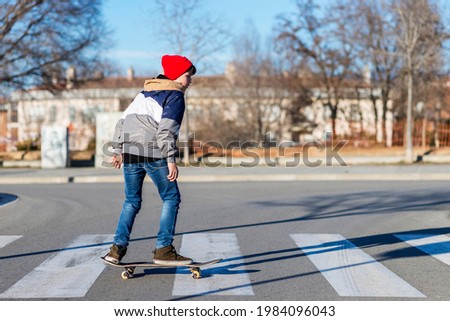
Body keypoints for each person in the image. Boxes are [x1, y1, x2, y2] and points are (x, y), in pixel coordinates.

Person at [104, 55, 196, 265]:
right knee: (171, 198)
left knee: (131, 201)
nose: (190, 80)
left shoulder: (142, 94)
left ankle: (116, 251)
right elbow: (166, 131)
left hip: (130, 153)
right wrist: (171, 159)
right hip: (153, 153)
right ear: (175, 76)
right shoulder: (174, 96)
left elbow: (121, 123)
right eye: (187, 76)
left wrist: (118, 150)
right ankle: (163, 250)